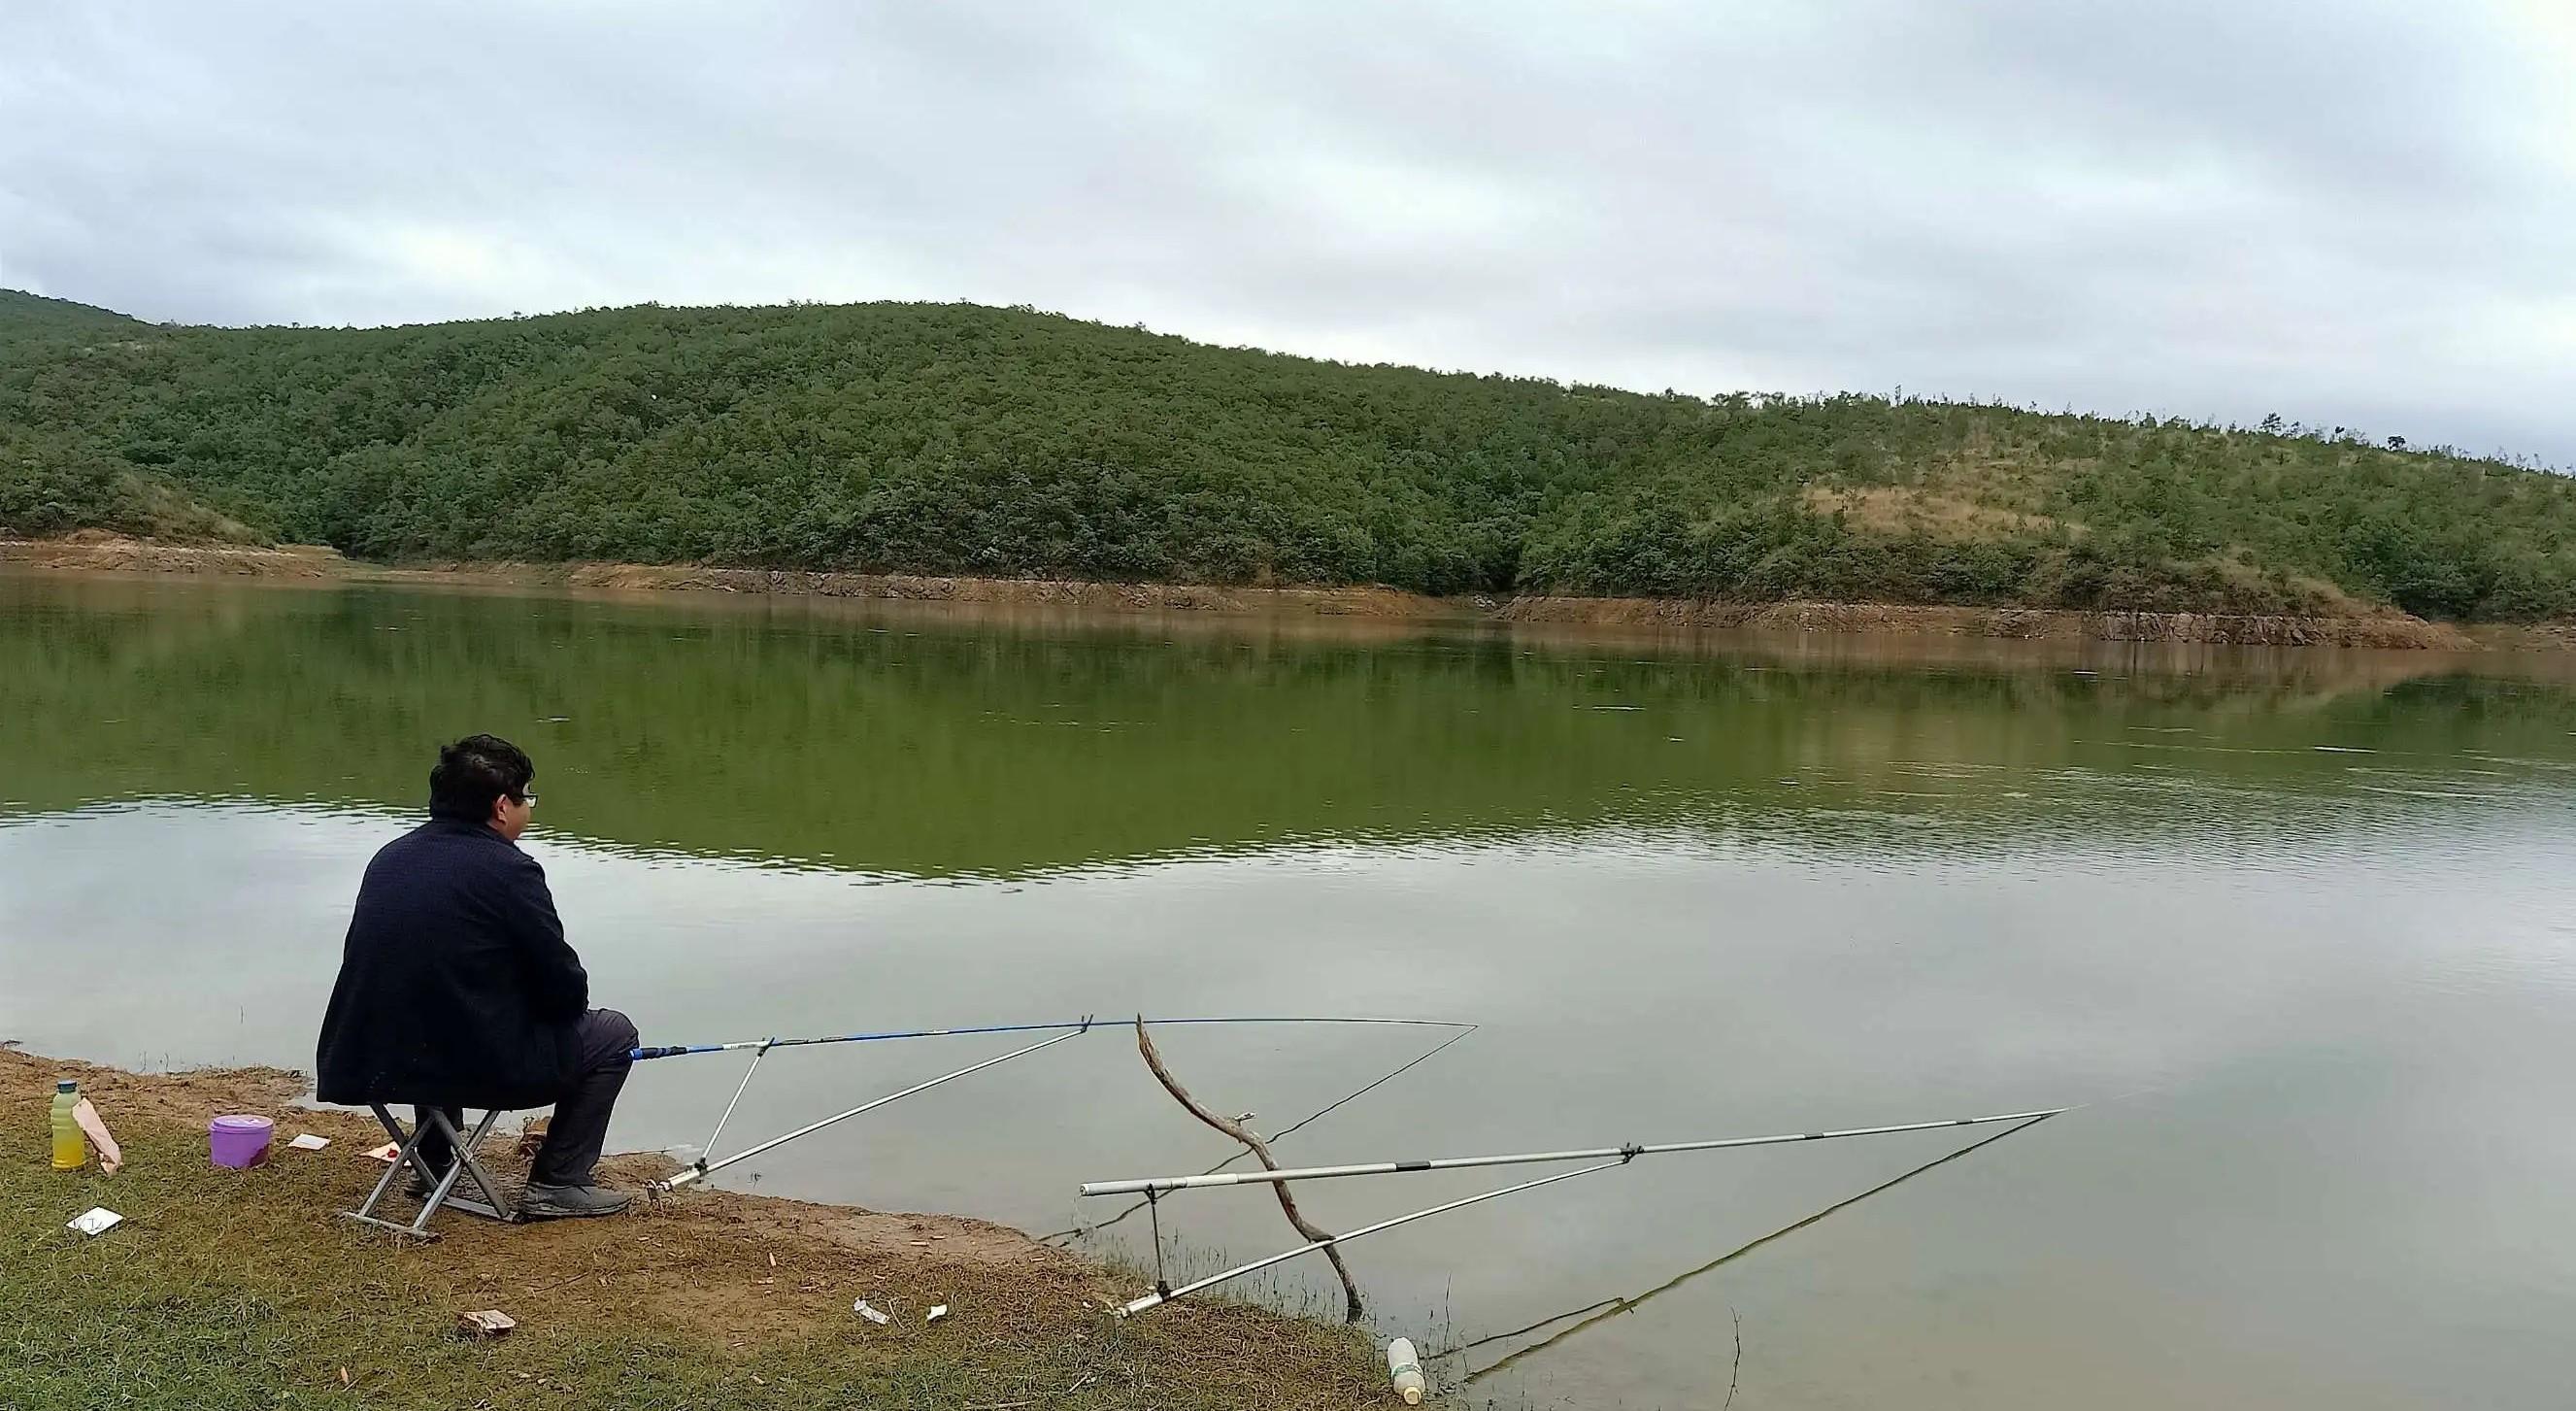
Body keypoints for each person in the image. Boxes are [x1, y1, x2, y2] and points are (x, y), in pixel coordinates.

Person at [316, 734, 637, 1219]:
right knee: (614, 1033)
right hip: (465, 1064)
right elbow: (565, 988)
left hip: (369, 1058)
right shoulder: (510, 870)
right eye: (526, 798)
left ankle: (433, 1164)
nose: (528, 809)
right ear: (502, 807)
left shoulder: (390, 858)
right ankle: (558, 1181)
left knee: (432, 1004)